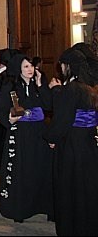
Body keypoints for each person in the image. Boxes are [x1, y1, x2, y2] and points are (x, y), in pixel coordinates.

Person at [44, 47, 98, 235]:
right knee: (87, 186)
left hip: (72, 144)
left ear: (69, 66)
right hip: (89, 143)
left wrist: (51, 138)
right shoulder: (90, 86)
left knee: (71, 187)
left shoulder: (72, 88)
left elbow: (63, 119)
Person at [0, 53, 53, 223]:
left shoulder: (39, 85)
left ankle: (42, 205)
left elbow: (48, 105)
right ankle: (20, 208)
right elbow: (1, 110)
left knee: (40, 168)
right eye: (26, 67)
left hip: (38, 132)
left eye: (31, 66)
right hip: (21, 134)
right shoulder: (11, 87)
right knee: (22, 170)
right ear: (19, 69)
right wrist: (10, 120)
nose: (30, 70)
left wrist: (40, 85)